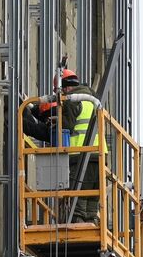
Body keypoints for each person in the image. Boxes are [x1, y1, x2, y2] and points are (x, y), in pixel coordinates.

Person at [36, 69, 105, 223]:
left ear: (65, 88)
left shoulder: (72, 101)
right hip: (99, 157)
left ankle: (78, 227)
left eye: (57, 91)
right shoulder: (92, 101)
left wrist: (54, 121)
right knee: (92, 203)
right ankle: (90, 225)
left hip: (80, 156)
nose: (58, 95)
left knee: (78, 203)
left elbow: (67, 126)